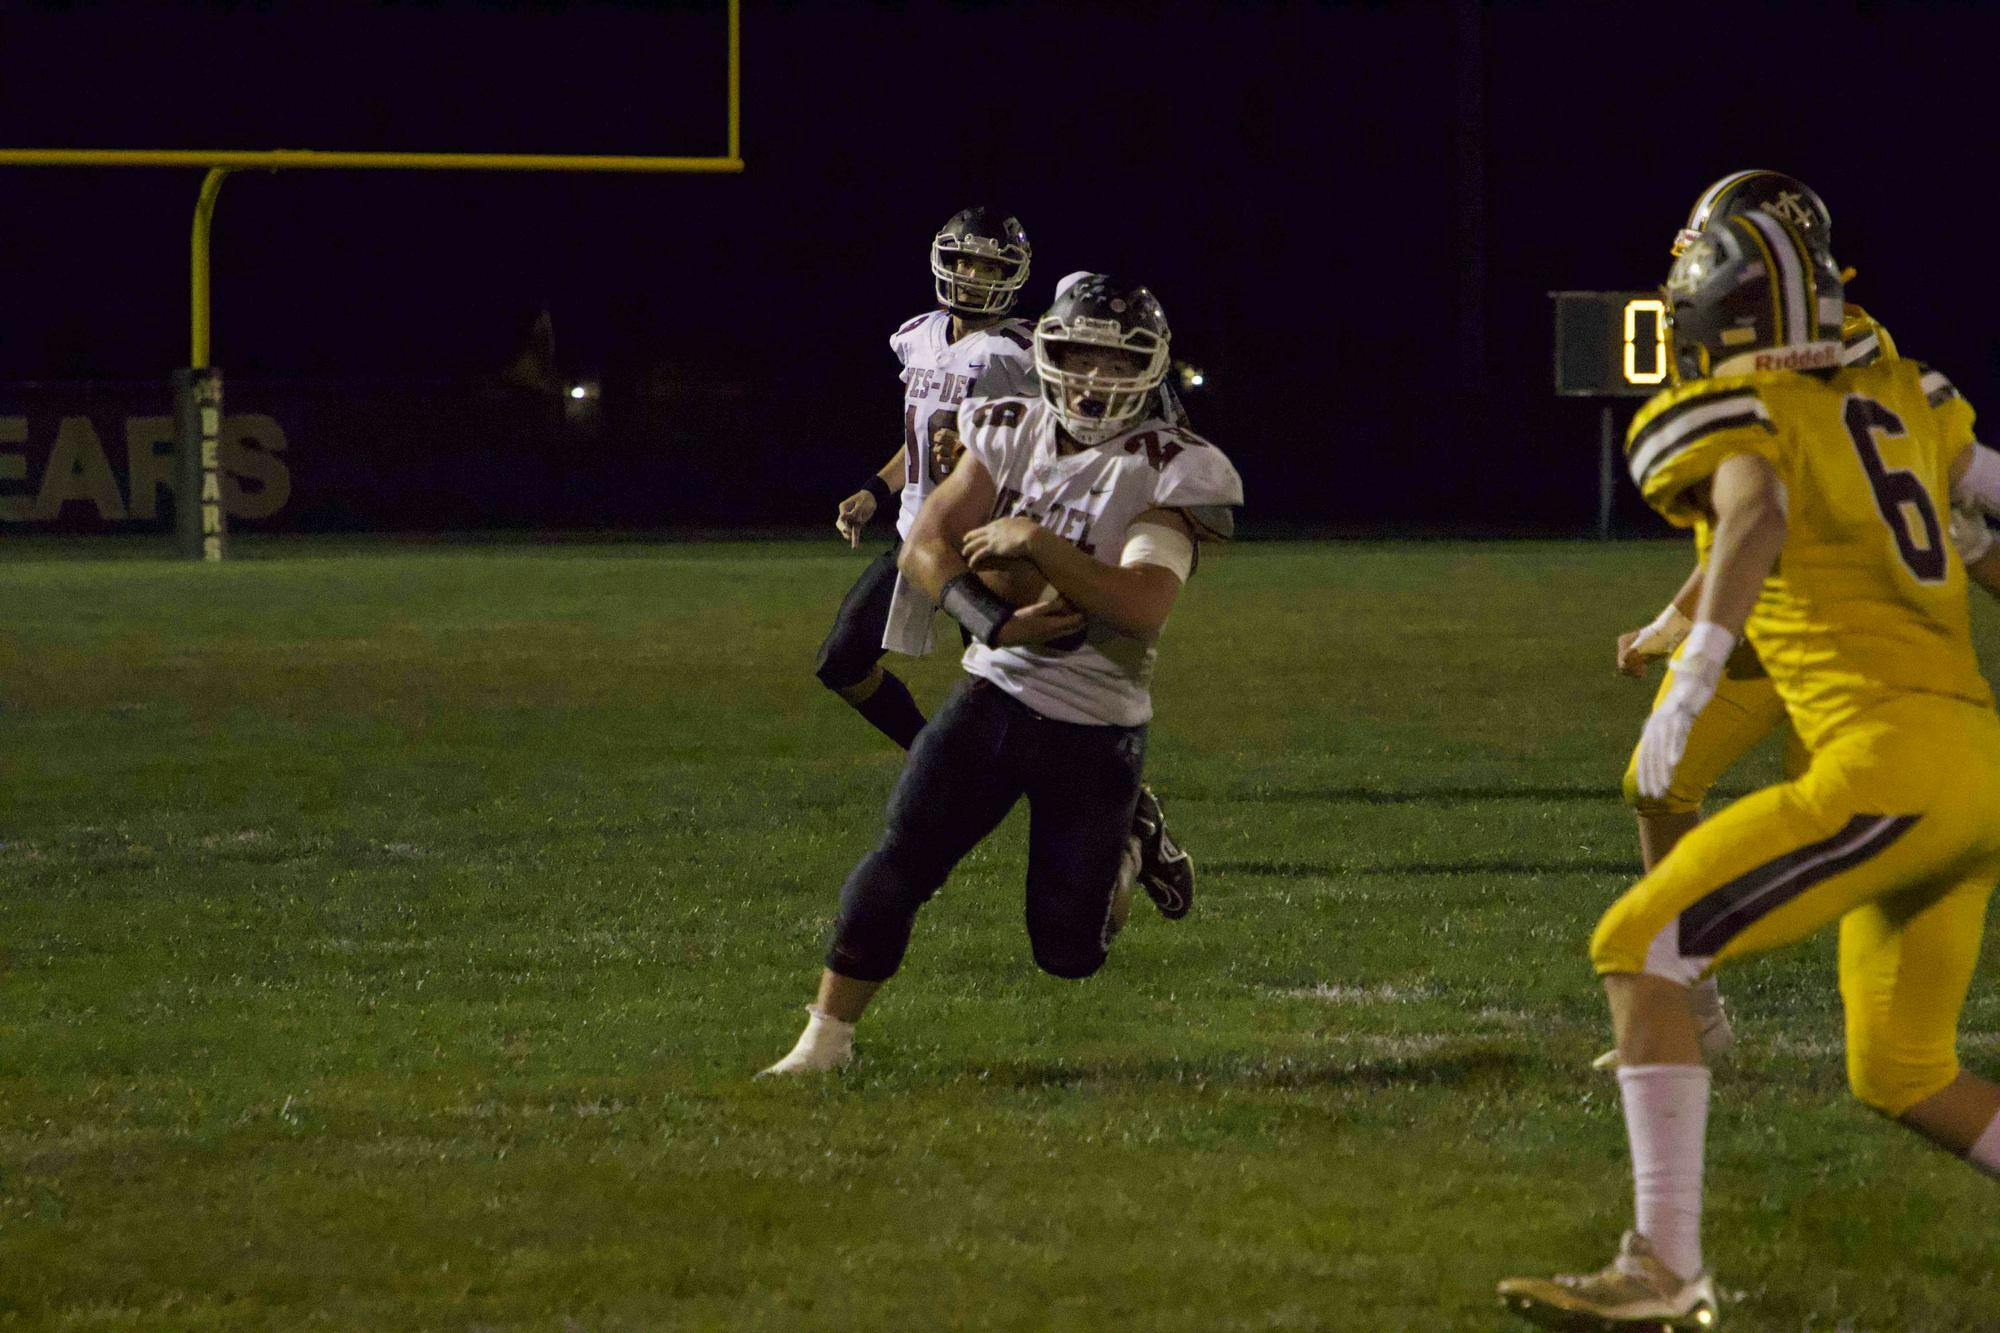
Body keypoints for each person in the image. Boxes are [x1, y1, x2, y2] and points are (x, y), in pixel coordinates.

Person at [1501, 210, 2000, 1327]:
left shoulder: (1732, 409)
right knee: (1903, 1070)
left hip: (1886, 762)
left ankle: (1661, 1267)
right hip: (1971, 760)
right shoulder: (1898, 401)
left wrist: (1695, 669)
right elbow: (1979, 515)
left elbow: (1754, 508)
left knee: (1637, 942)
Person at [762, 276, 1243, 1075]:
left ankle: (1129, 843)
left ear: (1151, 367)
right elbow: (924, 541)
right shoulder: (1011, 424)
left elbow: (1142, 603)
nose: (1093, 378)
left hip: (1097, 726)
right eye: (1077, 355)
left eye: (1115, 359)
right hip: (993, 689)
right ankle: (823, 1043)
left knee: (1067, 953)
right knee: (902, 855)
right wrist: (994, 621)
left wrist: (1037, 543)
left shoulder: (1173, 465)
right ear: (1047, 355)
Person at [1600, 171, 2000, 1072]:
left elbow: (1778, 507)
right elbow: (1747, 514)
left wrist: (1683, 631)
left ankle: (1705, 993)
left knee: (1865, 827)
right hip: (1775, 607)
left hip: (1834, 623)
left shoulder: (1822, 354)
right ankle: (1691, 1005)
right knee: (1658, 786)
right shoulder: (1845, 350)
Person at [813, 206, 1034, 752]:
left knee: (1017, 694)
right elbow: (917, 437)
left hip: (986, 547)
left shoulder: (1020, 353)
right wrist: (875, 488)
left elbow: (1049, 449)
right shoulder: (918, 336)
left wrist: (977, 451)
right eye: (965, 262)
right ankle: (931, 758)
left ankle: (1112, 796)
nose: (973, 277)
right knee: (841, 663)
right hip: (918, 537)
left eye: (987, 268)